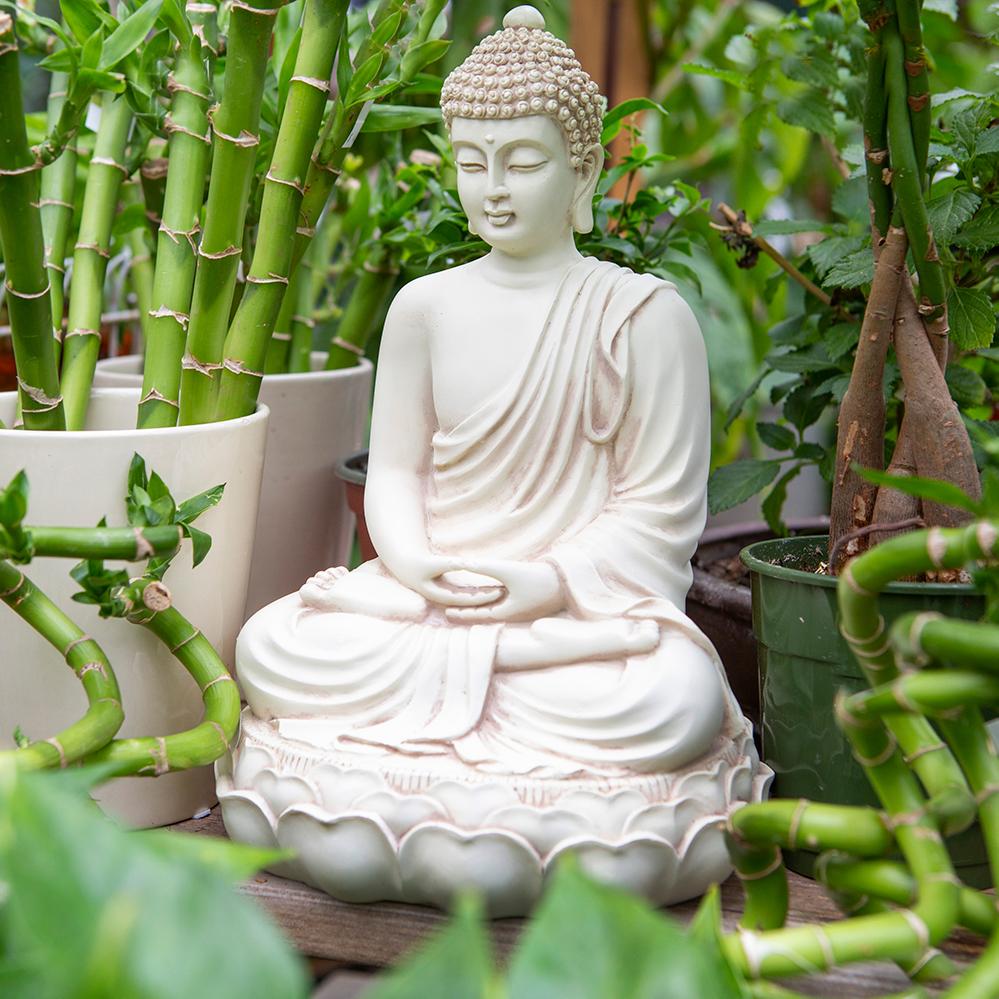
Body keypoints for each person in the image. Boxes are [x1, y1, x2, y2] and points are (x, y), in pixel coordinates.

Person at [236, 5, 750, 781]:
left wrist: (545, 582)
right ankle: (481, 672)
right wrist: (412, 565)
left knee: (671, 699)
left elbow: (659, 511)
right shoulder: (424, 306)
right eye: (472, 164)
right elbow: (399, 473)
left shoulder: (643, 316)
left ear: (583, 171)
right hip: (431, 600)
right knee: (270, 645)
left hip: (567, 613)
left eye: (522, 162)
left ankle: (482, 679)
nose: (495, 189)